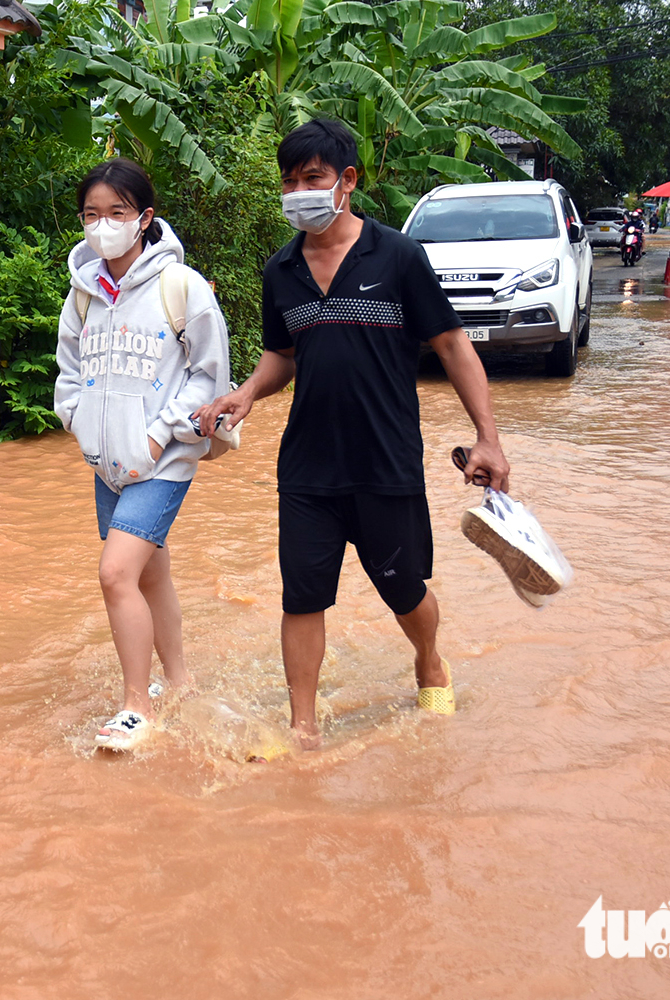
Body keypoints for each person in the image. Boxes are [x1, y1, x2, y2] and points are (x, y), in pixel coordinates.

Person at [193, 119, 510, 750]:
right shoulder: (280, 269)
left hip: (385, 460)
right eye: (289, 180)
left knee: (402, 589)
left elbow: (451, 344)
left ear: (347, 181)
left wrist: (488, 437)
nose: (299, 191)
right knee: (302, 597)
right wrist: (246, 392)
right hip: (308, 466)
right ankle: (302, 726)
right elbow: (282, 354)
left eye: (311, 178)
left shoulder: (397, 256)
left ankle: (428, 661)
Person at [54, 158, 231, 752]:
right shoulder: (81, 296)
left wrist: (159, 436)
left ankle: (135, 706)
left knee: (115, 573)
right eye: (92, 214)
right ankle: (180, 683)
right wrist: (78, 425)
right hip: (106, 463)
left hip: (162, 463)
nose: (103, 225)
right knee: (150, 572)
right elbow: (69, 373)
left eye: (117, 213)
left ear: (145, 218)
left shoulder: (181, 288)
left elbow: (209, 376)